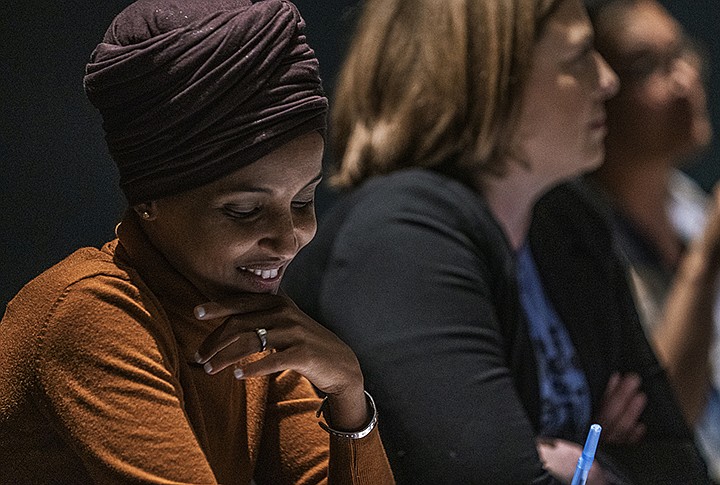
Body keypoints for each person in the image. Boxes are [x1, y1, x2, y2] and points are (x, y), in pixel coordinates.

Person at [282, 0, 709, 482]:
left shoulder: (567, 221)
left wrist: (590, 470)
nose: (607, 81)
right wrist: (604, 463)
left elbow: (680, 465)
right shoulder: (401, 237)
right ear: (488, 82)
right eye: (577, 58)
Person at [0, 0, 395, 483]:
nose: (288, 240)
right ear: (149, 199)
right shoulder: (91, 313)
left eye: (303, 201)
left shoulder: (250, 325)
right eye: (244, 210)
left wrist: (348, 393)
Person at [580, 0, 720, 479]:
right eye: (647, 68)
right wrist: (705, 259)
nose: (683, 80)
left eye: (681, 53)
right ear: (600, 90)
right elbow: (667, 416)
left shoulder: (689, 203)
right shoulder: (581, 241)